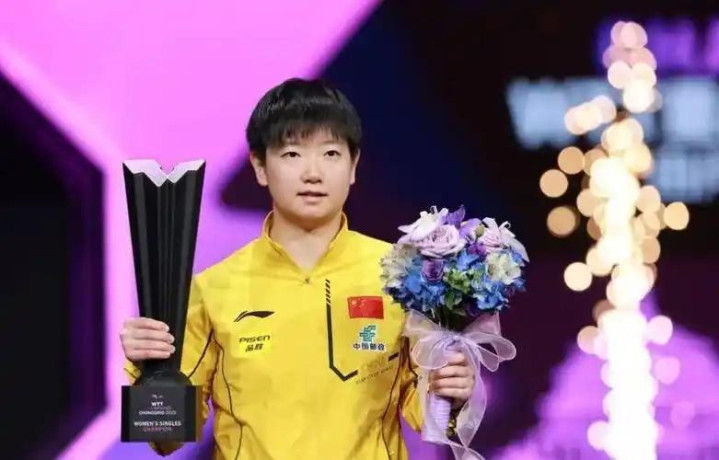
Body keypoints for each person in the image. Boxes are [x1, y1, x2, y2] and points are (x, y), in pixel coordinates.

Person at [121, 78, 476, 459]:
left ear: (353, 166)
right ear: (260, 166)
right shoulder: (212, 289)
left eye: (330, 153)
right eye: (292, 154)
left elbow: (433, 422)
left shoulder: (402, 277)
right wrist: (149, 369)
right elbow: (166, 439)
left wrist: (454, 394)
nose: (312, 173)